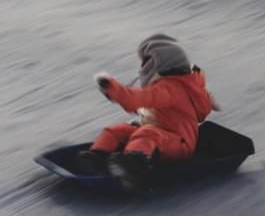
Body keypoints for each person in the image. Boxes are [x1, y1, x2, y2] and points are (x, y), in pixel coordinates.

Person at [81, 34, 219, 190]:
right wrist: (120, 97)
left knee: (146, 133)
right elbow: (146, 105)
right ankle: (97, 156)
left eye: (146, 62)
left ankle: (132, 166)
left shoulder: (172, 87)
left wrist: (116, 91)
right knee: (117, 130)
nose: (142, 68)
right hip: (159, 135)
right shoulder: (166, 85)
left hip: (178, 142)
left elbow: (144, 98)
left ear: (161, 63)